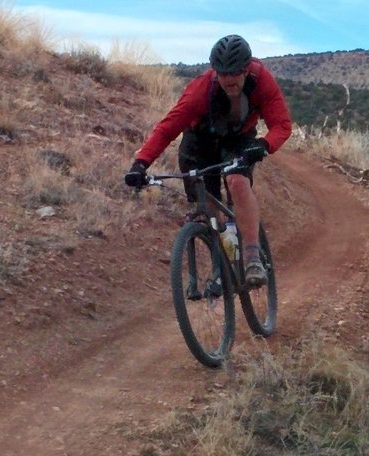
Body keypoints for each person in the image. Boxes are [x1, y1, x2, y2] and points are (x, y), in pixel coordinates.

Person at [124, 34, 293, 287]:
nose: (228, 79)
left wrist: (264, 145)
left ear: (246, 69)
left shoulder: (261, 81)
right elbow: (167, 129)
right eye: (223, 73)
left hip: (239, 139)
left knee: (237, 181)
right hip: (199, 141)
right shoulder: (200, 90)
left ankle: (251, 256)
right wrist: (141, 163)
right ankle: (222, 263)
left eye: (234, 72)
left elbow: (281, 125)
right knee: (208, 208)